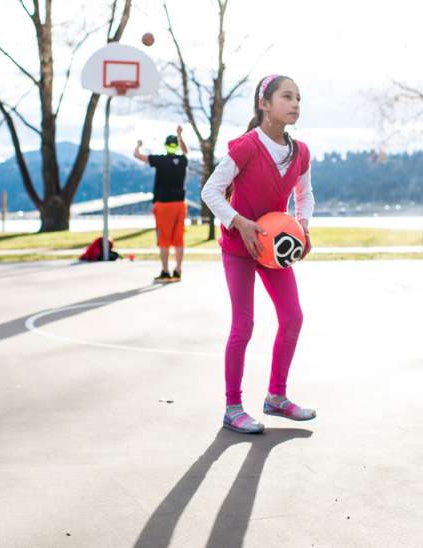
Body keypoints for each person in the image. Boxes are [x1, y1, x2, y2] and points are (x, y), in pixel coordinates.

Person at [200, 74, 315, 434]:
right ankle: (233, 407)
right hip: (239, 246)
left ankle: (276, 398)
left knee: (292, 317)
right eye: (286, 97)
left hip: (273, 250)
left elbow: (305, 195)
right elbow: (210, 192)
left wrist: (302, 227)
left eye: (298, 98)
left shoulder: (301, 152)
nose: (295, 103)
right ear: (264, 105)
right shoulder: (246, 147)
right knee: (243, 325)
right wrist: (241, 223)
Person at [133, 126, 189, 282]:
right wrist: (180, 135)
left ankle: (165, 271)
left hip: (164, 204)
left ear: (166, 145)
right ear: (176, 145)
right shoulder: (183, 160)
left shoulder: (160, 160)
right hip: (180, 204)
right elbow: (185, 152)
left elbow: (137, 155)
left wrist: (138, 145)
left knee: (164, 239)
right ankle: (178, 270)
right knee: (179, 239)